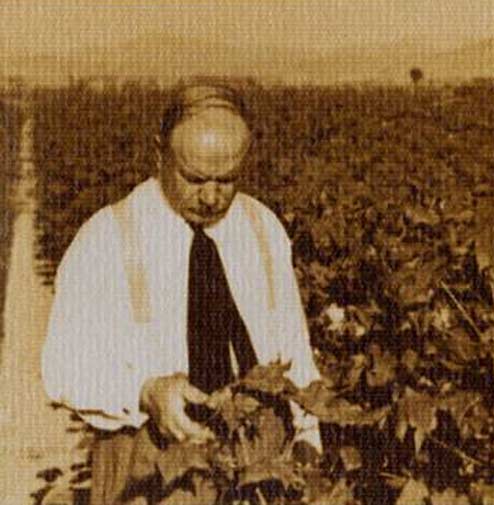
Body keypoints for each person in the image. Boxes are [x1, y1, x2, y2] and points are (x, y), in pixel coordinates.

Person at [42, 83, 322, 504]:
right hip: (148, 470)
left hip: (258, 464)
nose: (210, 197)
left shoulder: (263, 228)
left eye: (227, 180)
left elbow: (296, 356)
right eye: (193, 179)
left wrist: (309, 449)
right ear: (159, 154)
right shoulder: (106, 238)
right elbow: (64, 366)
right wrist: (145, 391)